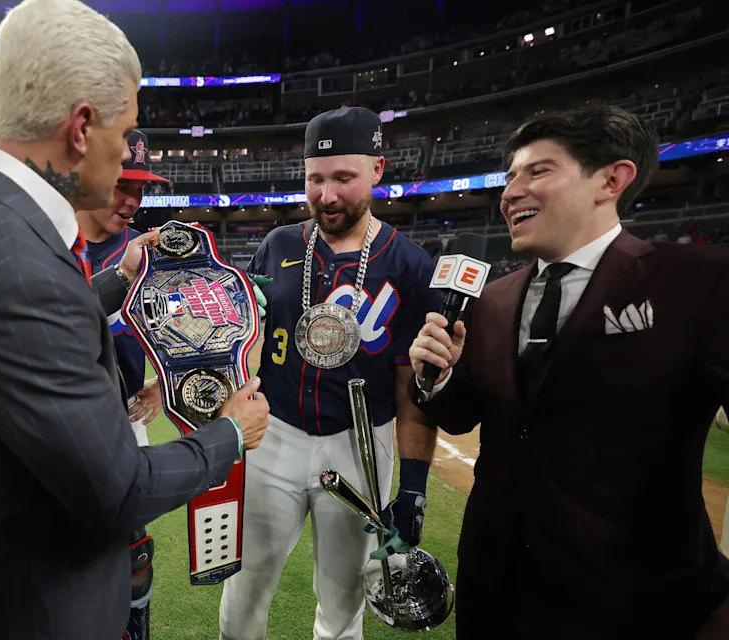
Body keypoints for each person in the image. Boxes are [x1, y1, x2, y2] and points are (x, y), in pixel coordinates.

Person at [0, 2, 270, 639]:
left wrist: (117, 281)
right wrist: (231, 434)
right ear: (80, 128)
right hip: (38, 611)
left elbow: (35, 321)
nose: (128, 150)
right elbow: (120, 493)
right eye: (126, 132)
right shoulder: (20, 272)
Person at [396, 104, 729, 638]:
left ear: (612, 180)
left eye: (538, 171)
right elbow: (462, 420)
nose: (509, 193)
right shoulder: (494, 298)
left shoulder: (696, 282)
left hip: (634, 601)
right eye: (509, 177)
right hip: (495, 590)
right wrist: (437, 376)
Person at [217, 107, 441, 640]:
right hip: (274, 433)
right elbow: (241, 336)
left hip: (360, 443)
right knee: (244, 586)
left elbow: (414, 386)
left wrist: (412, 487)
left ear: (378, 170)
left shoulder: (411, 265)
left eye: (344, 177)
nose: (327, 195)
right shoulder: (281, 244)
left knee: (343, 601)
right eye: (316, 179)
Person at [75, 129, 170, 640]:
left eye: (141, 189)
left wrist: (161, 383)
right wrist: (118, 276)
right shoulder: (48, 245)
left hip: (124, 426)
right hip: (59, 431)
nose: (133, 201)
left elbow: (178, 334)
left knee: (134, 555)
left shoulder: (149, 253)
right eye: (121, 185)